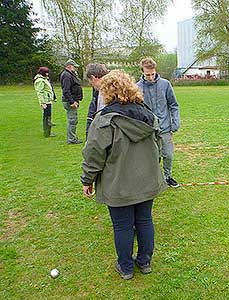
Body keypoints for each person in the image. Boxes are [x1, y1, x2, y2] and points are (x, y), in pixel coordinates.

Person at [81, 70, 167, 280]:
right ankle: (140, 263)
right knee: (144, 220)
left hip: (120, 184)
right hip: (144, 181)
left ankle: (128, 266)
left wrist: (87, 180)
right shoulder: (148, 115)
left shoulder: (106, 119)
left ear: (107, 92)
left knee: (124, 225)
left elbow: (93, 154)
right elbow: (159, 146)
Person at [137, 57, 180, 187]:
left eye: (152, 74)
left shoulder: (165, 84)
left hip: (165, 127)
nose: (150, 77)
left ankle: (168, 177)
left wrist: (175, 121)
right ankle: (154, 179)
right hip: (148, 129)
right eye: (147, 75)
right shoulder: (137, 87)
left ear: (155, 70)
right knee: (153, 157)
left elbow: (173, 105)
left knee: (168, 154)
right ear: (142, 72)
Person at [60, 59, 83, 144]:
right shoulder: (67, 75)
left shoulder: (69, 74)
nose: (75, 68)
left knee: (73, 120)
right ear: (69, 66)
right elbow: (66, 90)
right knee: (73, 120)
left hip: (72, 100)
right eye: (74, 67)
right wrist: (72, 102)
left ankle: (72, 138)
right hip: (70, 101)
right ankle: (71, 139)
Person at [85, 63, 109, 139]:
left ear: (93, 77)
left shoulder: (110, 92)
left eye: (90, 81)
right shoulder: (98, 92)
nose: (90, 84)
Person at [33, 67, 56, 137]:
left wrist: (53, 97)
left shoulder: (44, 79)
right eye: (46, 72)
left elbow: (49, 89)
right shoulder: (40, 80)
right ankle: (46, 133)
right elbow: (39, 92)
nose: (47, 74)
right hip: (45, 101)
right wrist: (42, 103)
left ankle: (48, 132)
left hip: (48, 100)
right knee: (46, 117)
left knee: (48, 117)